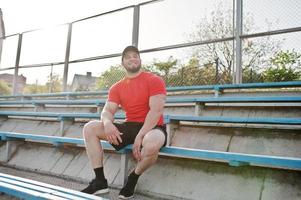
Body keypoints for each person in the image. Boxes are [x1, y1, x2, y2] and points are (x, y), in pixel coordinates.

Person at [81, 45, 167, 199]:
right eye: (128, 57)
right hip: (130, 126)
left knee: (152, 142)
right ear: (123, 63)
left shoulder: (154, 80)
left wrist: (140, 136)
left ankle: (133, 177)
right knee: (90, 128)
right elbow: (107, 111)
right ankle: (99, 181)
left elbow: (156, 111)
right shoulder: (117, 87)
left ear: (140, 60)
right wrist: (107, 124)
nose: (132, 58)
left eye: (135, 55)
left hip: (153, 127)